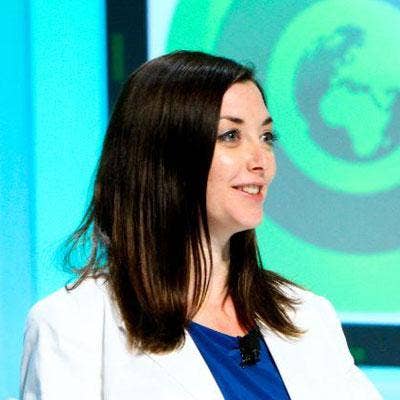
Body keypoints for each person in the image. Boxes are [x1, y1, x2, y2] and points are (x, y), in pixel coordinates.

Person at [20, 51, 382, 400]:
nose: (261, 161)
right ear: (162, 155)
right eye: (231, 136)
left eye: (266, 137)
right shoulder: (73, 325)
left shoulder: (308, 315)